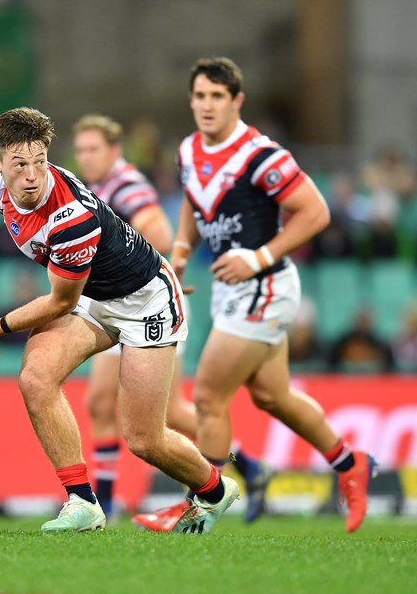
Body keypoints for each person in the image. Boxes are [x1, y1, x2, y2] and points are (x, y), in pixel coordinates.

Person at [0, 107, 240, 534]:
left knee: (144, 439)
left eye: (40, 161)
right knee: (36, 378)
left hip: (145, 303)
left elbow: (60, 302)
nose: (32, 175)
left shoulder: (70, 218)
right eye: (20, 165)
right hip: (93, 296)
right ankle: (83, 501)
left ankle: (215, 489)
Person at [138, 57, 375, 534]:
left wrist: (257, 257)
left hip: (265, 286)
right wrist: (181, 251)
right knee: (272, 395)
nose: (207, 105)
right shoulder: (189, 150)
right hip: (232, 290)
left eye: (217, 96)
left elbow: (315, 212)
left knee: (208, 396)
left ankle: (201, 504)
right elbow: (195, 201)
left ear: (237, 101)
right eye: (200, 96)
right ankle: (351, 464)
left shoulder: (261, 155)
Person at [72, 114, 272, 523]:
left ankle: (245, 465)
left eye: (93, 149)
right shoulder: (97, 188)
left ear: (115, 151)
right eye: (80, 150)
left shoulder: (126, 186)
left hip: (147, 305)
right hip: (117, 305)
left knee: (167, 416)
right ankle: (104, 503)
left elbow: (160, 234)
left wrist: (131, 269)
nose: (85, 157)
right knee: (102, 403)